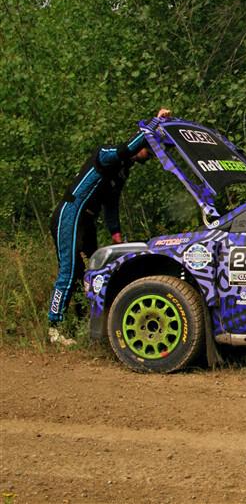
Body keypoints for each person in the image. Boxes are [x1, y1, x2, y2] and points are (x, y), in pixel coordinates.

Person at [47, 108, 170, 341]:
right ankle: (54, 327)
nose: (151, 156)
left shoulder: (123, 171)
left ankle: (83, 323)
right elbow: (127, 148)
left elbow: (111, 204)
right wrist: (155, 122)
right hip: (70, 214)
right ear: (141, 144)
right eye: (150, 150)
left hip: (88, 220)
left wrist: (116, 235)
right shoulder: (107, 154)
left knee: (93, 271)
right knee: (70, 270)